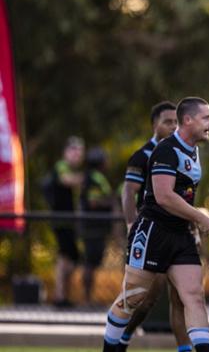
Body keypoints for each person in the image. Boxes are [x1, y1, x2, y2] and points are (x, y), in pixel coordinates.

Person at [103, 97, 209, 352]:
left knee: (194, 298)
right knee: (133, 298)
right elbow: (164, 196)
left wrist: (192, 223)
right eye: (206, 118)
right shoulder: (166, 150)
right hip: (153, 231)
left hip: (181, 234)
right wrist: (199, 217)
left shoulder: (194, 150)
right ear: (188, 120)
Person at [118, 102, 191, 352]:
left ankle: (185, 348)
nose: (172, 127)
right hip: (152, 233)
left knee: (182, 297)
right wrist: (131, 224)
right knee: (147, 298)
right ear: (155, 125)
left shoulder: (186, 153)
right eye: (167, 122)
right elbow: (128, 193)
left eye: (176, 122)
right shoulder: (142, 155)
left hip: (181, 234)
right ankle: (123, 336)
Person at [43, 136, 85, 308]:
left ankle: (63, 295)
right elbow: (66, 179)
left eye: (79, 151)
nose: (77, 154)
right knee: (64, 256)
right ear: (65, 152)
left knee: (70, 257)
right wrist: (86, 178)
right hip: (61, 221)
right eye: (73, 150)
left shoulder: (69, 168)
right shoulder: (62, 166)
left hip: (68, 221)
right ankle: (60, 296)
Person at [79, 147, 113, 306]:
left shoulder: (95, 177)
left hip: (96, 226)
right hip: (93, 227)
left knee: (92, 262)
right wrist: (111, 202)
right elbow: (93, 202)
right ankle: (87, 298)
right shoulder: (94, 178)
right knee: (90, 262)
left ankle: (88, 298)